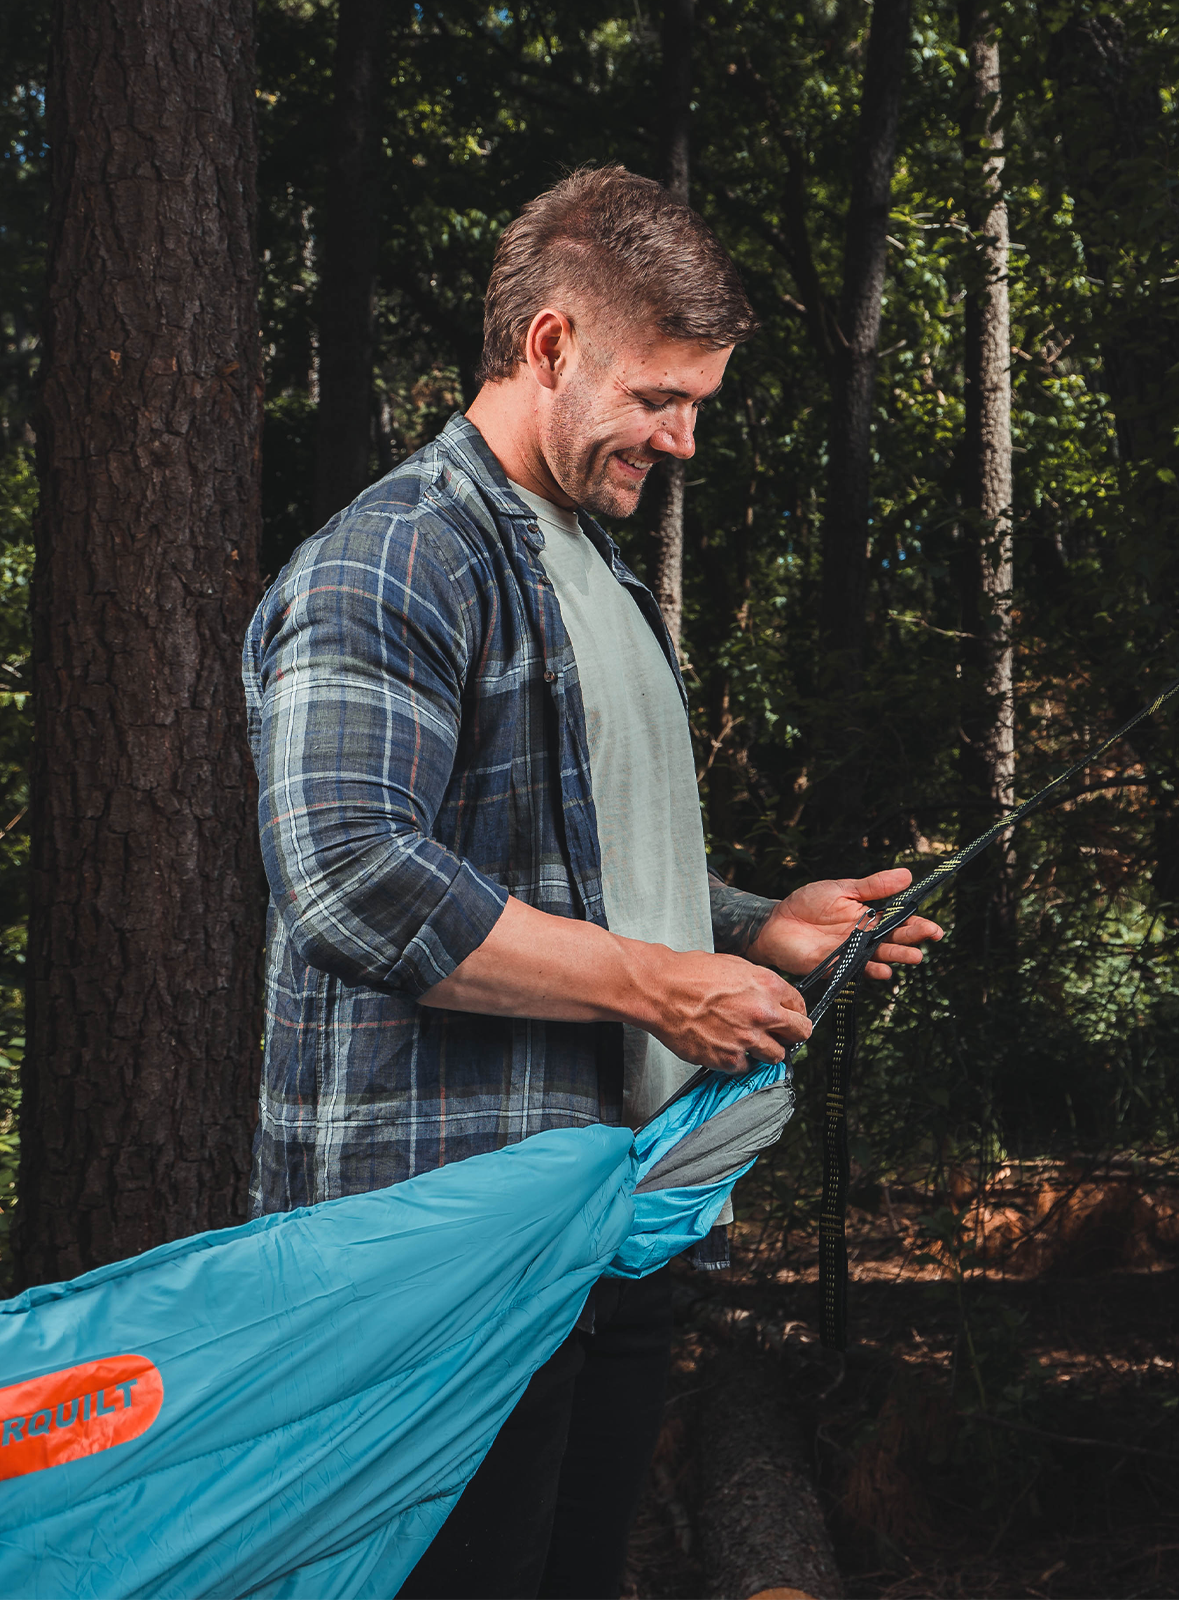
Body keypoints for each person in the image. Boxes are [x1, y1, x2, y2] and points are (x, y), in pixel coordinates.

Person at [241, 165, 941, 1600]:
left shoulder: (591, 567)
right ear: (551, 346)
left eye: (699, 404)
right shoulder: (398, 555)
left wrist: (754, 926)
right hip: (445, 1256)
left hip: (610, 1230)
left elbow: (583, 859)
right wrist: (657, 983)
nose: (681, 440)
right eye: (658, 398)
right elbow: (353, 873)